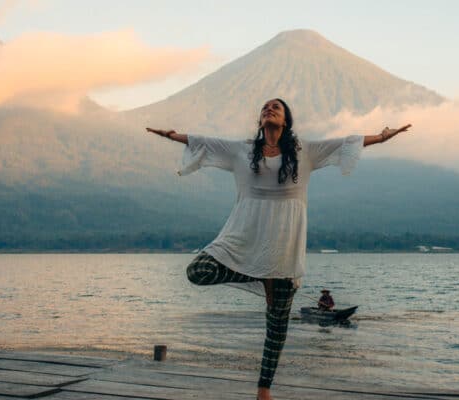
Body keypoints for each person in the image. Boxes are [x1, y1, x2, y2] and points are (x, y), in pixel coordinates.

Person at [146, 98, 410, 400]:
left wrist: (382, 136)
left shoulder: (304, 152)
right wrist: (169, 135)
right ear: (260, 120)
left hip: (284, 247)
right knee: (198, 271)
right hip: (244, 239)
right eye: (265, 108)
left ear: (286, 120)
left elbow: (345, 143)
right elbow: (202, 142)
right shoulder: (241, 151)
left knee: (277, 324)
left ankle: (264, 389)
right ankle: (261, 277)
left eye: (276, 108)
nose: (269, 110)